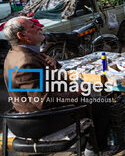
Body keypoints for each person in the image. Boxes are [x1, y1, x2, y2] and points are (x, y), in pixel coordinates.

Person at [2, 17, 113, 155]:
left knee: (89, 97)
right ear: (22, 35)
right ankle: (94, 149)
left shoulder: (18, 53)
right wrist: (76, 93)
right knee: (101, 104)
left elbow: (43, 80)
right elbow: (43, 101)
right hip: (43, 120)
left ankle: (91, 143)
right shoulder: (26, 61)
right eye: (32, 26)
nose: (38, 28)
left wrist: (55, 64)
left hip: (35, 112)